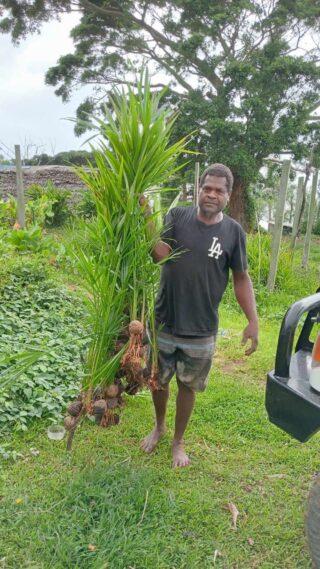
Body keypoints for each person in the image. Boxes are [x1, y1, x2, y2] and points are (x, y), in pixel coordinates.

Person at [141, 163, 259, 468]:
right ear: (199, 188)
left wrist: (253, 321)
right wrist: (144, 214)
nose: (211, 194)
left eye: (219, 190)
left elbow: (241, 278)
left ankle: (178, 441)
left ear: (228, 195)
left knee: (188, 386)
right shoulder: (177, 217)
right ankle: (159, 426)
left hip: (202, 327)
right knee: (158, 380)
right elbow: (159, 254)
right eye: (207, 188)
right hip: (165, 318)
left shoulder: (233, 232)